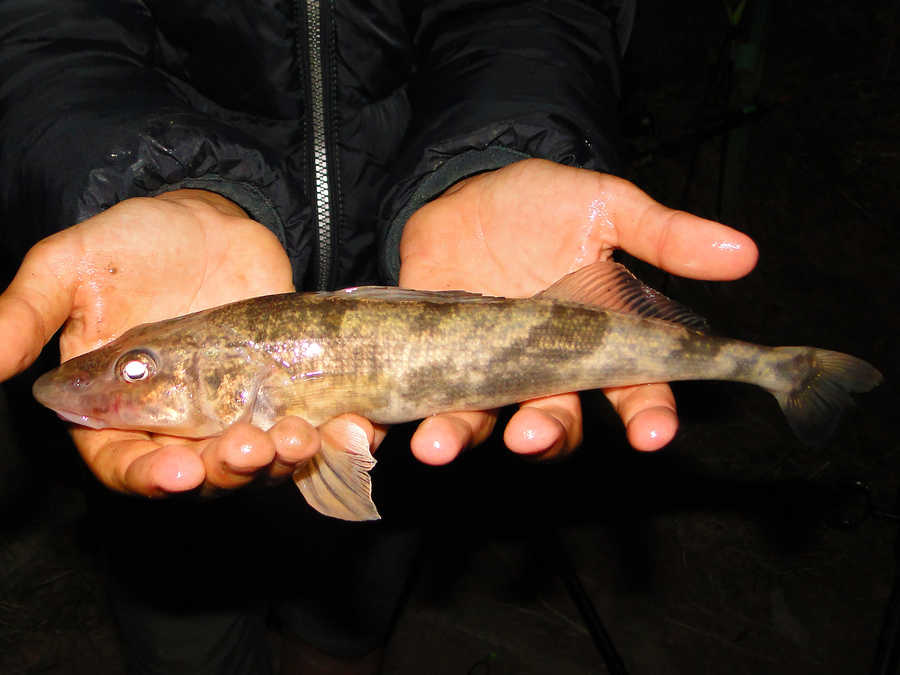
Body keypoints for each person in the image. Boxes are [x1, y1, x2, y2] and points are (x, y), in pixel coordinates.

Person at [0, 1, 757, 673]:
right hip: (184, 510)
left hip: (406, 364)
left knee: (348, 618)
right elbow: (45, 33)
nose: (124, 380)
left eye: (139, 366)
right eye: (139, 363)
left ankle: (764, 370)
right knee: (184, 627)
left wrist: (507, 148)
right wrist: (134, 176)